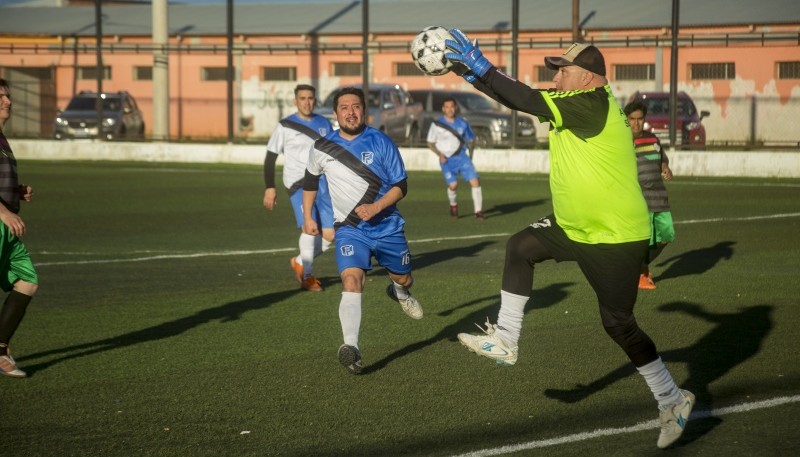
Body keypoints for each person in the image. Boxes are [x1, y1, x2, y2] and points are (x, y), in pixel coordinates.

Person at [442, 34, 694, 449]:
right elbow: (518, 96)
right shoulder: (576, 101)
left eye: (563, 69)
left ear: (588, 77)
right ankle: (506, 339)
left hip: (613, 234)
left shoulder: (591, 105)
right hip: (573, 225)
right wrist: (470, 72)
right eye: (555, 70)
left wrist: (482, 66)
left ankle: (672, 399)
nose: (555, 76)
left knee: (618, 323)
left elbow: (524, 98)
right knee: (520, 247)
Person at [302, 87, 423, 375]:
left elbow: (401, 186)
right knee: (352, 281)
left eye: (356, 106)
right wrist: (309, 217)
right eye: (344, 107)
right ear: (335, 113)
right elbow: (310, 182)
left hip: (387, 227)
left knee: (403, 277)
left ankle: (399, 292)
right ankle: (351, 348)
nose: (350, 112)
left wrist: (377, 207)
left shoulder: (381, 142)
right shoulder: (321, 147)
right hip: (350, 230)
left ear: (364, 111)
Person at [263, 84, 334, 292]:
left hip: (322, 182)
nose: (307, 102)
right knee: (310, 228)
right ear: (295, 101)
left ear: (315, 100)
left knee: (330, 235)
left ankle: (300, 261)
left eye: (310, 98)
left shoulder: (324, 124)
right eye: (302, 98)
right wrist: (270, 187)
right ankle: (308, 276)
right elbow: (270, 157)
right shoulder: (285, 126)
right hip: (298, 183)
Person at [0, 78, 39, 378]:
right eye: (0, 97)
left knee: (28, 281)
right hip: (1, 221)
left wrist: (16, 191)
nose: (7, 102)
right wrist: (3, 211)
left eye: (8, 96)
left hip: (7, 227)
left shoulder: (2, 139)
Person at [624, 100, 675, 290]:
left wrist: (665, 168)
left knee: (666, 236)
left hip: (660, 198)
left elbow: (662, 160)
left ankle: (639, 268)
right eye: (632, 119)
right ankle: (640, 273)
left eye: (640, 119)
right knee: (643, 240)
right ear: (626, 120)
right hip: (639, 201)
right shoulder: (622, 143)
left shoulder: (653, 140)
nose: (636, 123)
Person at [426, 97, 484, 220]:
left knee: (475, 182)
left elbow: (471, 138)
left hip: (462, 157)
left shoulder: (463, 122)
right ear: (443, 109)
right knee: (453, 185)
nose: (449, 109)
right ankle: (453, 205)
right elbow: (430, 143)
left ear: (455, 108)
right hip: (446, 160)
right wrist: (439, 154)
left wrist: (471, 148)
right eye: (446, 107)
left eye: (452, 106)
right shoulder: (437, 124)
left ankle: (478, 212)